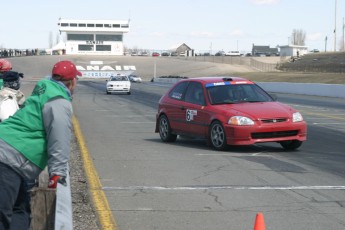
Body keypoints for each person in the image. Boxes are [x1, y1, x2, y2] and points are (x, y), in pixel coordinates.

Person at [0, 60, 81, 230]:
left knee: (19, 211)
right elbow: (59, 137)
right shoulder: (59, 101)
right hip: (9, 159)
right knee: (4, 215)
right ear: (73, 82)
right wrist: (57, 173)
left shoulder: (43, 92)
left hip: (11, 155)